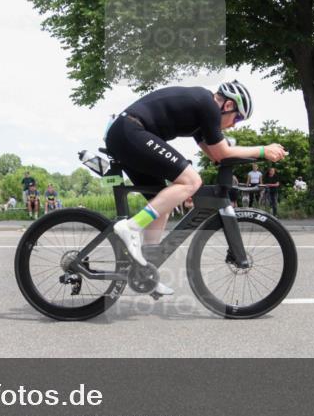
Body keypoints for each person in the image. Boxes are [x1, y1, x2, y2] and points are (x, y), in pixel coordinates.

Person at [105, 80, 286, 296]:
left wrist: (247, 155)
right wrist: (263, 150)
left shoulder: (202, 115)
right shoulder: (208, 105)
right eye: (237, 118)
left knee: (162, 203)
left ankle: (145, 270)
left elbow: (217, 156)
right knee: (192, 181)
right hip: (131, 131)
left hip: (126, 134)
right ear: (228, 105)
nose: (234, 125)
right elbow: (222, 153)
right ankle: (132, 227)